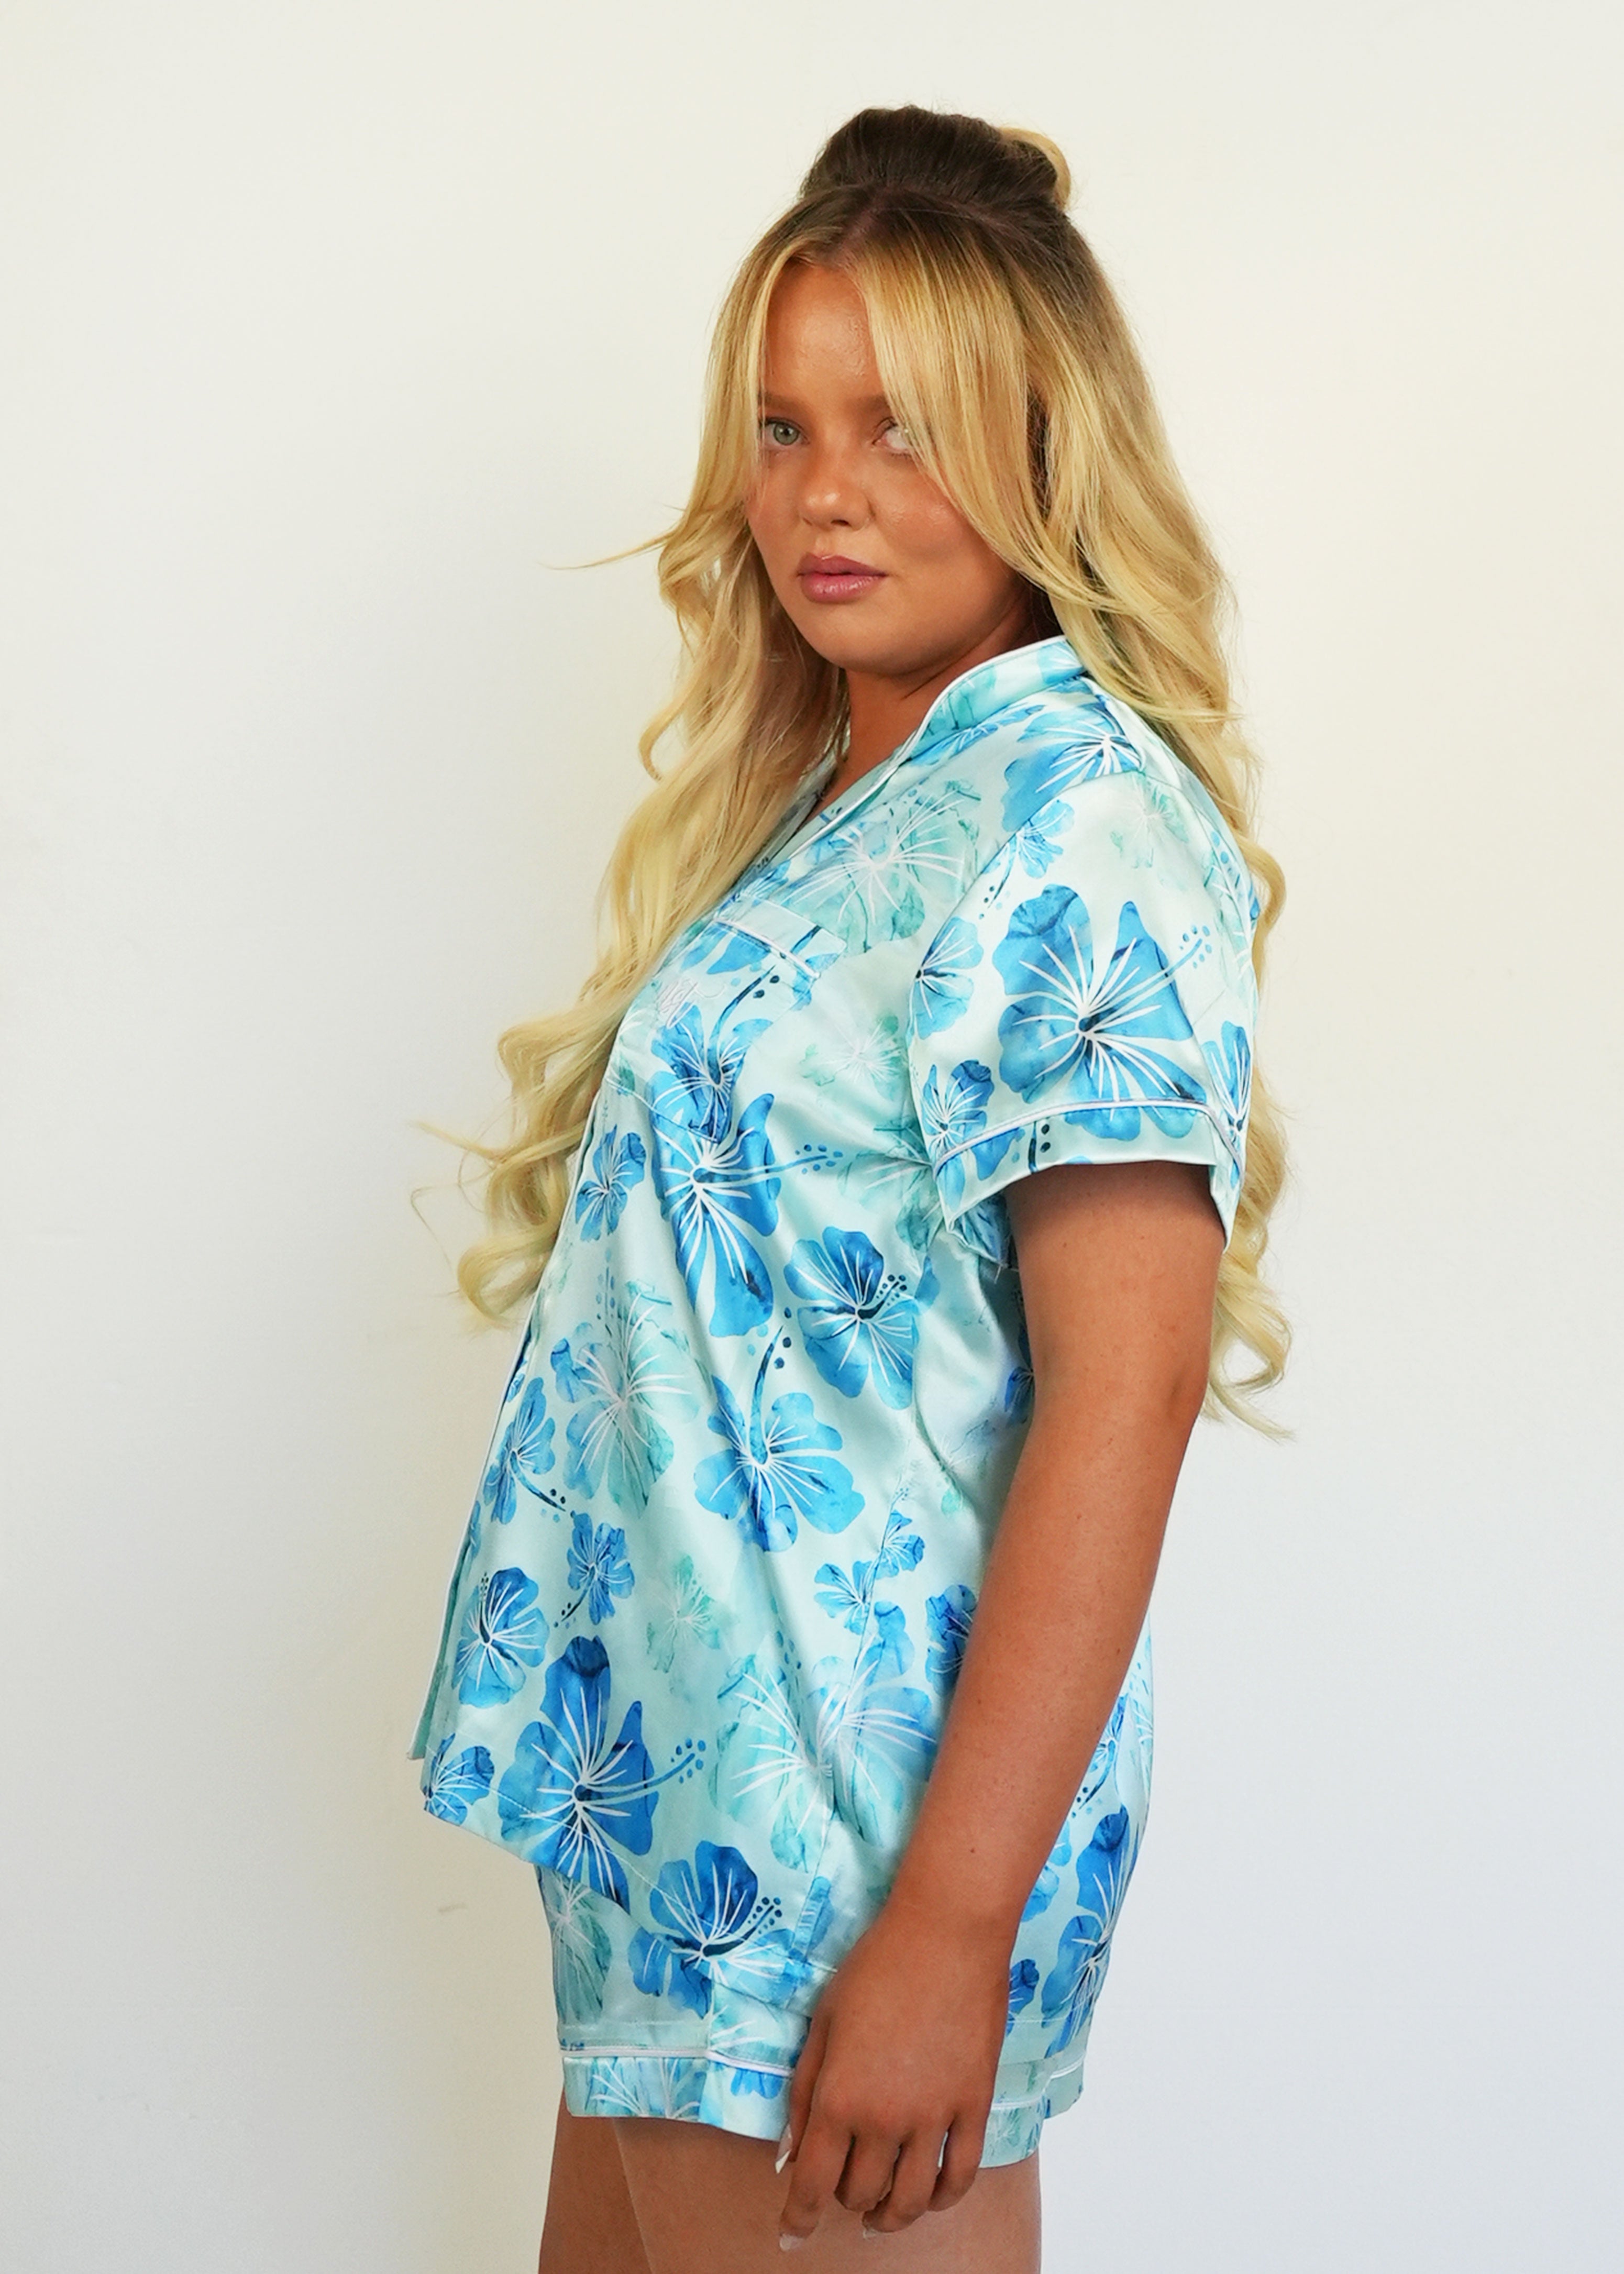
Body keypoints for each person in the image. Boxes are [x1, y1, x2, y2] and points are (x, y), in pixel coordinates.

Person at [411, 103, 1287, 2274]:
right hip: (683, 1822)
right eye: (784, 428)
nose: (824, 493)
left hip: (844, 1857)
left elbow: (1123, 1397)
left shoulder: (1072, 818)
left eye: (903, 429)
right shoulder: (845, 796)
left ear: (1040, 449)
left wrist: (950, 1929)